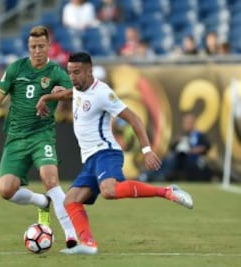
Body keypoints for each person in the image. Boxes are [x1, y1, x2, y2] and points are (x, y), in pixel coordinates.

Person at [36, 52, 193, 254]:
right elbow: (69, 94)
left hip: (106, 152)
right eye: (70, 72)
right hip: (91, 159)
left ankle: (167, 192)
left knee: (110, 190)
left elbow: (134, 118)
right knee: (71, 200)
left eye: (76, 72)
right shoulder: (78, 89)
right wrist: (47, 97)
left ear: (89, 71)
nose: (72, 77)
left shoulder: (102, 93)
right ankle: (88, 245)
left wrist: (146, 150)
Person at [0, 25, 78, 249]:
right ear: (28, 47)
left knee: (50, 179)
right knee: (6, 190)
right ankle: (42, 202)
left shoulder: (55, 72)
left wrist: (50, 97)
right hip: (16, 137)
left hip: (42, 135)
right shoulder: (16, 68)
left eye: (41, 46)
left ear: (48, 47)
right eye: (33, 47)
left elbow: (74, 92)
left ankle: (71, 235)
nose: (37, 51)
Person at [140, 113, 213, 182]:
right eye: (185, 123)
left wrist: (195, 150)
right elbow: (172, 147)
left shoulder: (198, 135)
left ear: (194, 124)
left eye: (189, 123)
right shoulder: (181, 136)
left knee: (172, 160)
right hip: (178, 158)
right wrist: (176, 142)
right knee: (166, 159)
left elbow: (207, 146)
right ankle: (147, 175)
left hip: (190, 160)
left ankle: (160, 176)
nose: (187, 125)